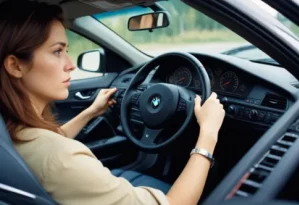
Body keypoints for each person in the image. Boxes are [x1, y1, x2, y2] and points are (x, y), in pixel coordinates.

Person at [0, 0, 225, 205]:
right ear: (15, 66)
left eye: (66, 51)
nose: (71, 64)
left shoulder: (13, 132)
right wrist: (208, 133)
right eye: (57, 51)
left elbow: (50, 144)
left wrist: (90, 112)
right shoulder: (62, 159)